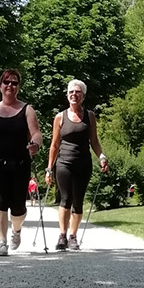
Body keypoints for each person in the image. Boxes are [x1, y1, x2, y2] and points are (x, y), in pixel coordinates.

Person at [0, 70, 42, 255]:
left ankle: (16, 230)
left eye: (14, 83)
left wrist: (35, 144)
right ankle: (1, 242)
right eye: (6, 82)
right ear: (0, 86)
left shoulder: (27, 110)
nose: (10, 86)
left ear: (18, 87)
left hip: (20, 162)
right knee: (0, 201)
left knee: (18, 207)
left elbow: (36, 133)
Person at [45, 79, 108, 250]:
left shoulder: (90, 116)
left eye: (78, 92)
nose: (74, 94)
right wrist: (49, 168)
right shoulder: (60, 117)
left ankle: (73, 236)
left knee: (78, 200)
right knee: (65, 198)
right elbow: (54, 145)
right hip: (64, 163)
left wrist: (101, 157)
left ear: (83, 96)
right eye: (71, 92)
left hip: (83, 163)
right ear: (67, 95)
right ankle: (62, 235)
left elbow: (94, 141)